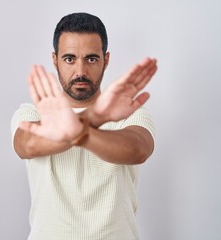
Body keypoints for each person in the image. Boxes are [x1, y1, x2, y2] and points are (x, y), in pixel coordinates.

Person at [11, 12, 157, 240]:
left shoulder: (130, 112)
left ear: (105, 60)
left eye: (91, 59)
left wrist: (80, 129)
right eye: (69, 59)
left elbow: (138, 149)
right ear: (55, 59)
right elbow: (26, 145)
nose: (80, 71)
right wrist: (96, 117)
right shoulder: (31, 113)